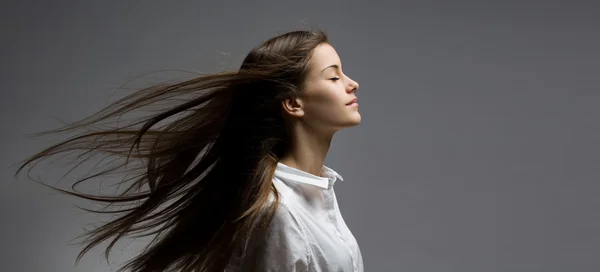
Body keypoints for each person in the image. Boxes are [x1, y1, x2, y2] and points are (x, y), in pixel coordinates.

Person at [15, 29, 363, 272]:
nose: (352, 83)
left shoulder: (313, 197)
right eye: (334, 77)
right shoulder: (280, 213)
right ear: (292, 103)